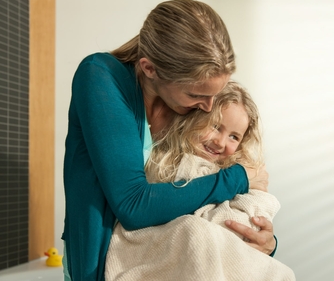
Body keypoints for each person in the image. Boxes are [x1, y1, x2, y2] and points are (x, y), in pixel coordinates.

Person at [62, 0, 276, 281]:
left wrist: (262, 241)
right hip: (103, 267)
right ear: (150, 69)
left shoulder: (189, 110)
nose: (209, 107)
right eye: (197, 94)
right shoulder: (100, 78)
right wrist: (238, 178)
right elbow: (134, 205)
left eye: (215, 94)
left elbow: (205, 200)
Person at [105, 81, 295, 281]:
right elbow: (153, 215)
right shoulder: (163, 162)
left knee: (282, 273)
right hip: (160, 255)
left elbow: (248, 220)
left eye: (233, 136)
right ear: (194, 118)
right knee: (196, 231)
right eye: (215, 126)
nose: (220, 142)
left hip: (217, 256)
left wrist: (268, 242)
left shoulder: (243, 173)